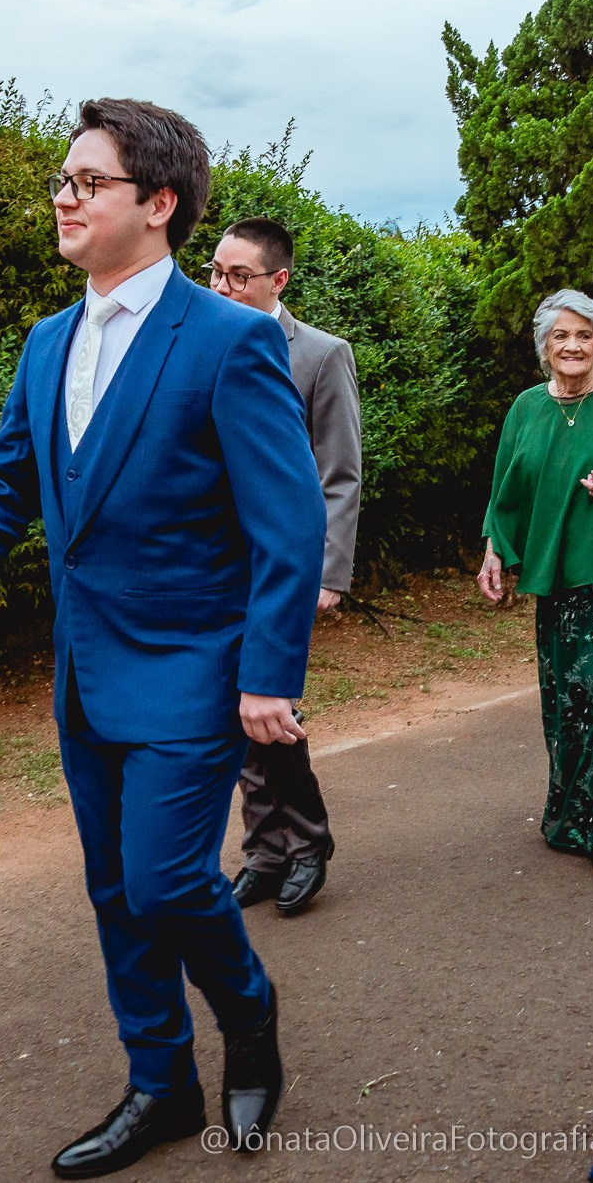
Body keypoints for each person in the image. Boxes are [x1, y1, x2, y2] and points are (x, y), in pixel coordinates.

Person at [0, 99, 325, 1177]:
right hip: (83, 671)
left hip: (194, 670)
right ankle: (158, 1084)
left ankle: (248, 1016)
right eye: (61, 179)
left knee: (163, 881)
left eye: (86, 182)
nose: (62, 196)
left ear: (156, 205)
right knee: (112, 889)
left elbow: (288, 524)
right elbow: (8, 471)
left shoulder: (231, 341)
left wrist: (265, 677)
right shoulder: (47, 340)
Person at [207, 217, 362, 917]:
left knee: (273, 710)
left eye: (239, 276)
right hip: (212, 566)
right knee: (233, 711)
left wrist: (329, 573)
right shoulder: (200, 340)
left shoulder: (322, 355)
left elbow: (339, 473)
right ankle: (264, 850)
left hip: (283, 564)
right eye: (214, 272)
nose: (222, 287)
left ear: (279, 280)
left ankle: (307, 844)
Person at [478, 290, 593, 880]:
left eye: (584, 335)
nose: (573, 345)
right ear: (544, 347)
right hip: (555, 575)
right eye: (561, 336)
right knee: (568, 701)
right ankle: (571, 812)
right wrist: (493, 551)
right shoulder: (527, 407)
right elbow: (506, 489)